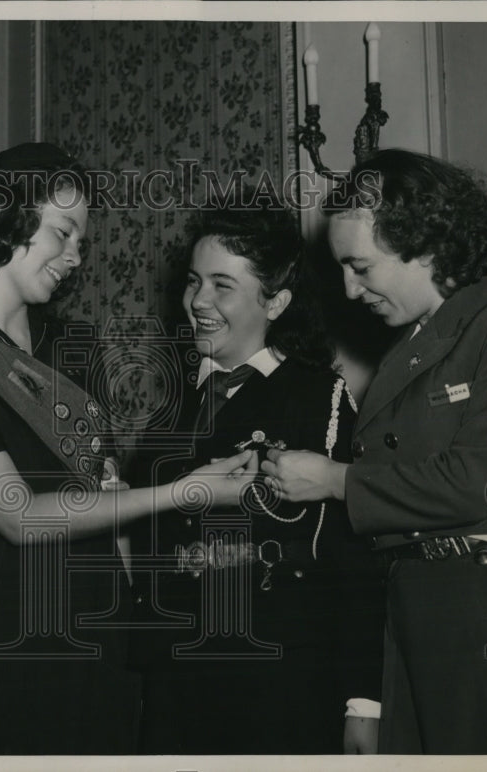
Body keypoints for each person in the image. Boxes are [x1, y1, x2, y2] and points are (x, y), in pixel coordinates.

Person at [0, 142, 256, 755]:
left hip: (98, 627)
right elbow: (20, 516)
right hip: (1, 637)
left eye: (82, 240)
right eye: (63, 232)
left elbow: (106, 497)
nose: (75, 256)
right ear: (6, 216)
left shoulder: (69, 345)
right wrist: (181, 491)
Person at [261, 148, 487, 754]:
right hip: (425, 624)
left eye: (359, 266)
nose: (349, 288)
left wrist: (337, 481)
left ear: (422, 242)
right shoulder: (405, 353)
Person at [126, 200, 386, 755]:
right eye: (195, 281)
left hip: (280, 681)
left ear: (277, 301)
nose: (198, 301)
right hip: (174, 683)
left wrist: (362, 700)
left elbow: (355, 556)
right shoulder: (173, 403)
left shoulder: (320, 396)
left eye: (223, 285)